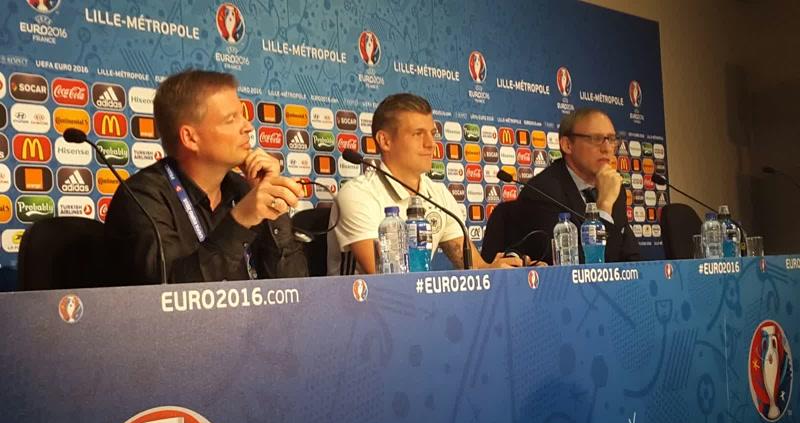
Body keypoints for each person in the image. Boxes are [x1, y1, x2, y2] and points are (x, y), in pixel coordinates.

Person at [105, 69, 307, 285]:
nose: (248, 127)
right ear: (190, 138)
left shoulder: (243, 189)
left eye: (243, 116)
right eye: (231, 119)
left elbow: (296, 288)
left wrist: (274, 207)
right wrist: (240, 220)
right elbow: (170, 293)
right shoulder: (142, 199)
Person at [327, 93, 526, 275]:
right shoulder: (357, 194)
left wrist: (500, 270)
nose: (431, 144)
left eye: (432, 133)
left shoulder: (437, 193)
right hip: (362, 302)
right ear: (385, 141)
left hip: (416, 300)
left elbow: (473, 268)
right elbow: (384, 280)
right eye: (418, 134)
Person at [482, 108, 640, 264]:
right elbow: (578, 266)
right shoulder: (542, 192)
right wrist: (604, 206)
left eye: (611, 139)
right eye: (596, 139)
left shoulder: (613, 188)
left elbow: (632, 257)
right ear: (567, 145)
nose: (607, 148)